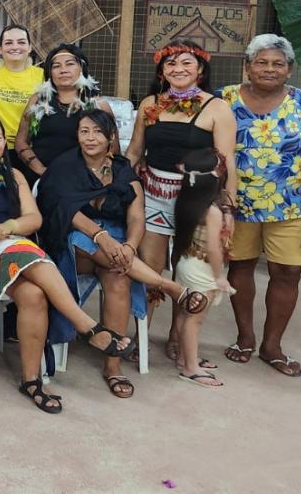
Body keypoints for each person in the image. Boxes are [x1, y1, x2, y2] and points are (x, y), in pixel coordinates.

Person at [0, 114, 134, 414]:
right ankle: (86, 326)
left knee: (34, 294)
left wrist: (11, 227)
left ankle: (31, 380)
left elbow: (34, 219)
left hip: (9, 249)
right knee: (28, 253)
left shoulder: (14, 175)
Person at [37, 109, 210, 398]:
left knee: (119, 279)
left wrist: (129, 246)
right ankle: (167, 285)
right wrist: (102, 238)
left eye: (97, 132)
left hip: (116, 250)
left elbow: (136, 216)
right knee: (84, 240)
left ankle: (112, 366)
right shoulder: (65, 166)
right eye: (84, 131)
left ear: (111, 137)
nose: (90, 138)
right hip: (72, 248)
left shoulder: (122, 169)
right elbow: (66, 211)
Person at [221, 34, 301, 376]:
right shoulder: (224, 99)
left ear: (289, 70)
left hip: (291, 208)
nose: (269, 69)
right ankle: (245, 337)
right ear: (247, 67)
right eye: (261, 62)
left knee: (287, 273)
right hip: (236, 205)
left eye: (277, 64)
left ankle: (272, 346)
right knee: (239, 268)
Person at [124, 40, 237, 298]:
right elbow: (134, 151)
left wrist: (228, 208)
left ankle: (182, 321)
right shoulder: (150, 104)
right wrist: (118, 185)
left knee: (188, 270)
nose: (178, 69)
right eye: (171, 63)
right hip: (154, 194)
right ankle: (144, 323)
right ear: (162, 71)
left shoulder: (217, 108)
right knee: (150, 267)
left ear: (200, 69)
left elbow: (227, 161)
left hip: (197, 198)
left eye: (187, 63)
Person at [170, 149, 233, 388]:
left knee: (186, 313)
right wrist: (220, 276)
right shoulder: (212, 211)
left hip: (186, 262)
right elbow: (214, 248)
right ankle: (190, 367)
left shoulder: (185, 201)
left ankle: (185, 357)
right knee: (194, 319)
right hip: (201, 268)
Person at [14, 44, 110, 183]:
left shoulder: (98, 104)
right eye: (56, 66)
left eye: (70, 64)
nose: (63, 70)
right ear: (49, 72)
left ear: (81, 68)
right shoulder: (37, 100)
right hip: (41, 177)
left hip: (84, 180)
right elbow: (21, 142)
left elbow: (112, 149)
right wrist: (41, 170)